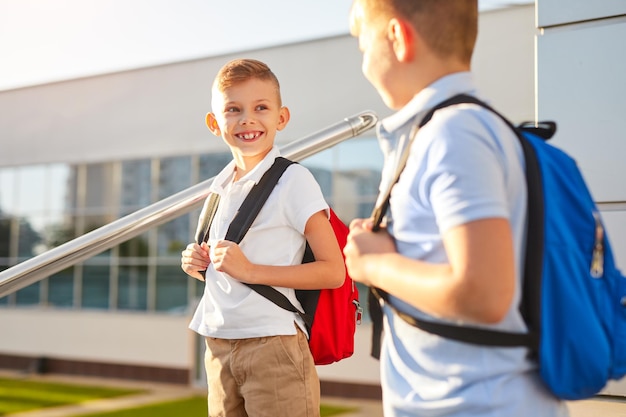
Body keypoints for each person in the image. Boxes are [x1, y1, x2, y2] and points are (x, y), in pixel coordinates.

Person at [342, 1, 569, 416]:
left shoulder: (453, 133)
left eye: (362, 44)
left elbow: (484, 292)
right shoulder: (453, 129)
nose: (363, 62)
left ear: (396, 37)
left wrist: (372, 265)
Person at [181, 58, 345, 417]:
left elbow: (333, 271)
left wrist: (251, 270)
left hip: (274, 344)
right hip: (219, 343)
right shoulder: (219, 187)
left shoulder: (294, 181)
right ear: (214, 123)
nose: (247, 119)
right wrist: (199, 264)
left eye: (261, 108)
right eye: (233, 109)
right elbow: (229, 268)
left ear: (281, 118)